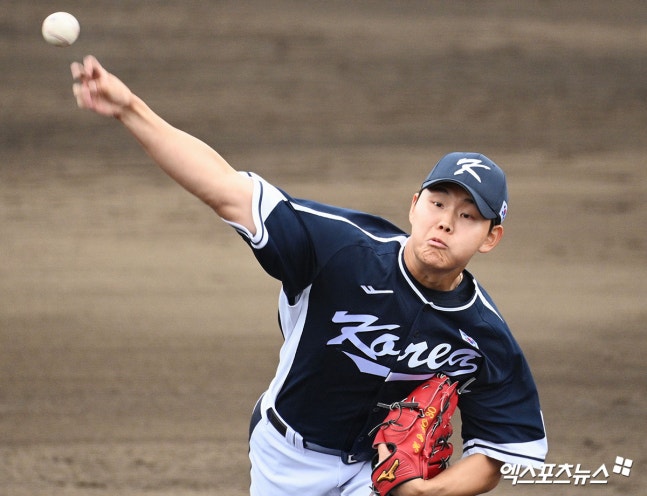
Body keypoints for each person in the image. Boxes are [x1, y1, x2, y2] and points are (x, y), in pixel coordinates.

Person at [71, 55, 547, 496]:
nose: (444, 222)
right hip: (286, 461)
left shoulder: (484, 334)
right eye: (437, 203)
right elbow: (224, 188)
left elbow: (500, 450)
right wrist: (129, 109)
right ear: (413, 206)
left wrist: (427, 491)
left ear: (491, 237)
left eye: (467, 216)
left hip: (373, 476)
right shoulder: (340, 249)